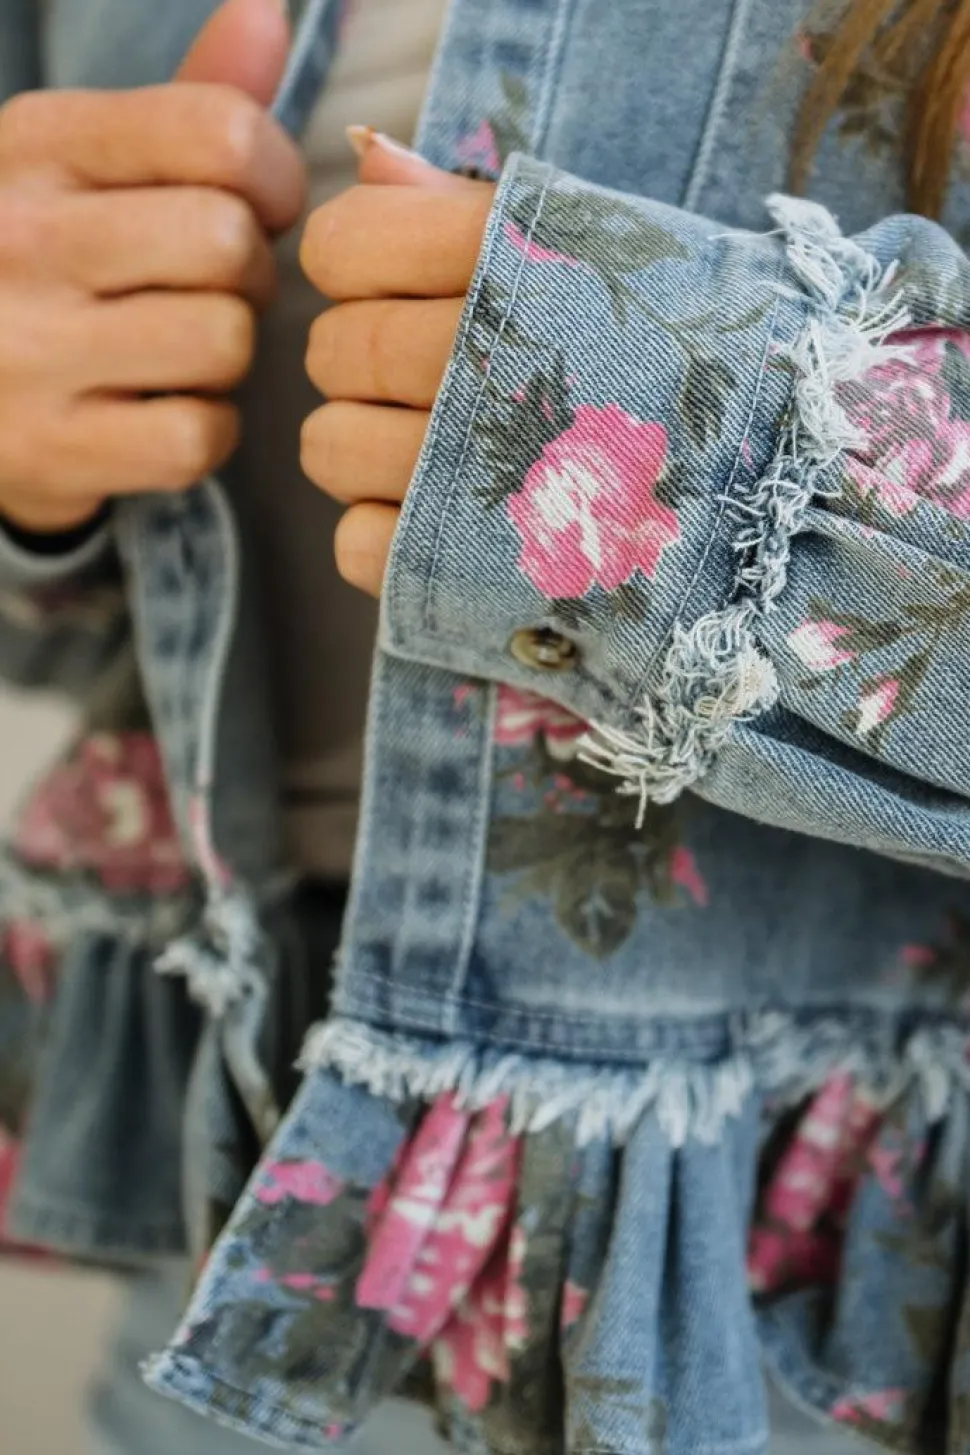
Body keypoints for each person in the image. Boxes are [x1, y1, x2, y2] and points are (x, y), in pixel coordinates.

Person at [2, 0, 970, 1452]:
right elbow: (84, 635)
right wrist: (36, 469)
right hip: (268, 1226)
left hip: (827, 1302)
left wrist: (705, 435)